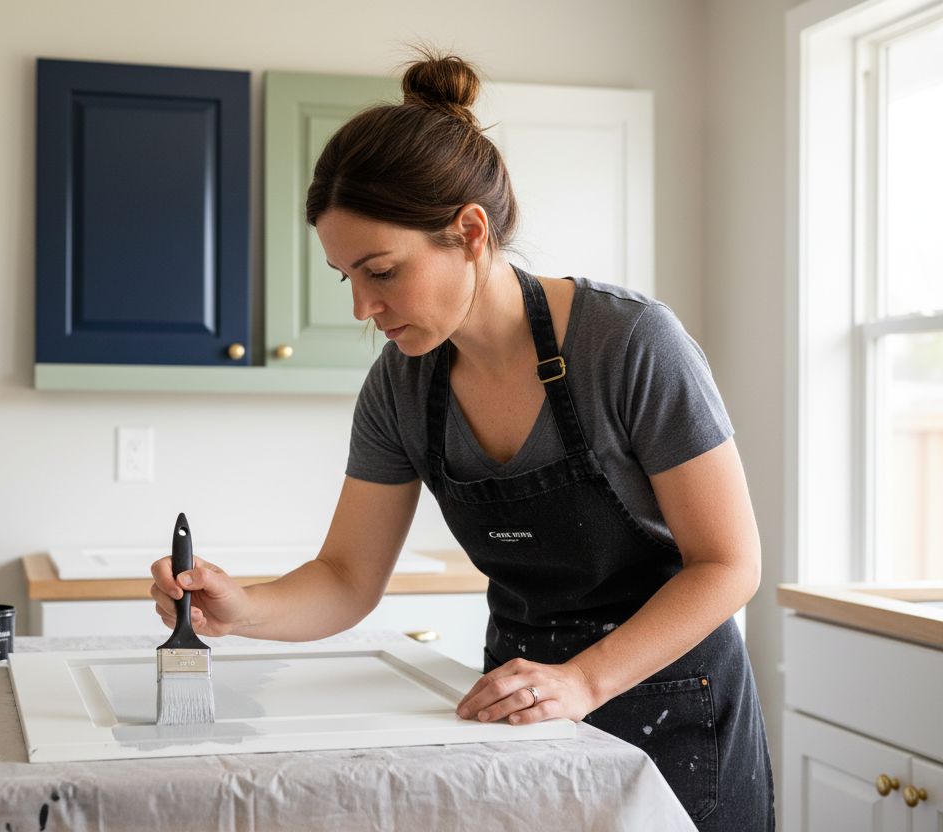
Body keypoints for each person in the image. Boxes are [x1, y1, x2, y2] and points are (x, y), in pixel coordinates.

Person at [151, 49, 773, 829]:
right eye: (348, 278)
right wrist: (241, 609)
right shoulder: (402, 386)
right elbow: (346, 576)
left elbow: (729, 564)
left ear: (470, 232)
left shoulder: (629, 344)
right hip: (515, 712)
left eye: (381, 271)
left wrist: (582, 680)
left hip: (674, 711)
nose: (363, 309)